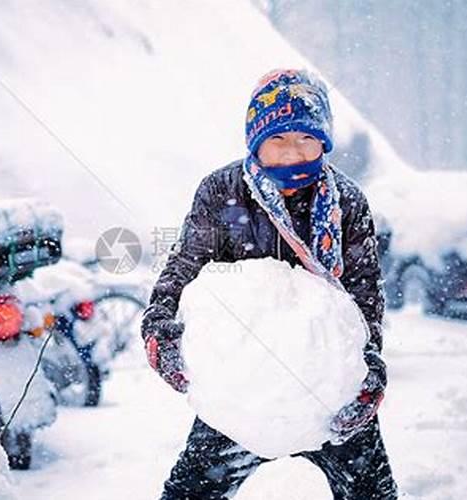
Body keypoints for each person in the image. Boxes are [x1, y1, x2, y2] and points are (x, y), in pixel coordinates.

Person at [141, 68, 398, 499]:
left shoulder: (347, 202)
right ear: (257, 140)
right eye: (278, 139)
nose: (292, 153)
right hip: (244, 387)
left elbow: (365, 296)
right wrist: (161, 336)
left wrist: (368, 370)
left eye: (305, 138)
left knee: (371, 493)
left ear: (324, 141)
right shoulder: (223, 191)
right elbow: (179, 274)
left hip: (328, 391)